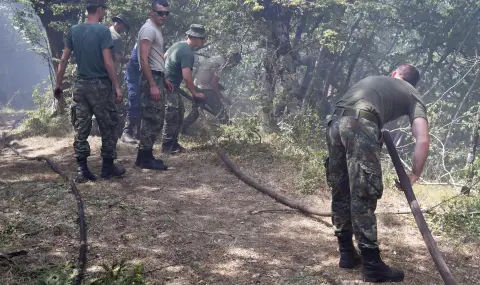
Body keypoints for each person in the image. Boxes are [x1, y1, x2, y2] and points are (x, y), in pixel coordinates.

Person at [325, 64, 430, 282]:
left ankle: (346, 253)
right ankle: (372, 265)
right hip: (360, 123)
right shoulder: (412, 93)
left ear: (394, 75)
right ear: (412, 83)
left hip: (335, 122)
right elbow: (422, 138)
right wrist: (415, 174)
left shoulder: (375, 80)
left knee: (341, 189)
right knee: (363, 192)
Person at [54, 0, 126, 182]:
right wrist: (117, 86)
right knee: (109, 125)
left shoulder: (74, 31)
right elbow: (109, 62)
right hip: (100, 85)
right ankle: (108, 168)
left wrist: (58, 84)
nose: (104, 14)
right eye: (104, 11)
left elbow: (63, 61)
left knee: (81, 127)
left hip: (80, 86)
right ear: (99, 10)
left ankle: (82, 169)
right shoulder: (103, 31)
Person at [134, 0, 171, 170]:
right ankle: (146, 159)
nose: (163, 16)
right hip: (151, 78)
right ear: (152, 12)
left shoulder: (156, 29)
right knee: (152, 118)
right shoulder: (148, 29)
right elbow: (143, 59)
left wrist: (163, 79)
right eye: (160, 13)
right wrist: (152, 84)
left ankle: (143, 157)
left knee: (154, 117)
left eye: (166, 13)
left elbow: (155, 58)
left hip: (157, 76)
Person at [162, 24, 207, 154]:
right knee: (172, 115)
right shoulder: (188, 53)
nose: (203, 42)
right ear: (197, 39)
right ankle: (167, 148)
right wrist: (195, 93)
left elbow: (163, 58)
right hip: (168, 87)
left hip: (169, 85)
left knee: (180, 112)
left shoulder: (177, 45)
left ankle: (174, 144)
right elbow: (187, 77)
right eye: (202, 39)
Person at [181, 52, 242, 134]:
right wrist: (221, 98)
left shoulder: (216, 57)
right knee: (221, 111)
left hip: (197, 86)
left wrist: (218, 85)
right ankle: (229, 132)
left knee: (196, 112)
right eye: (234, 64)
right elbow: (213, 83)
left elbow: (206, 75)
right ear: (232, 60)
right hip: (205, 89)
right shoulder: (222, 63)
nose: (232, 67)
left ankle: (181, 129)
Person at [121, 44, 141, 143]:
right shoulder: (143, 41)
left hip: (142, 75)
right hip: (134, 75)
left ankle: (140, 133)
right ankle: (127, 132)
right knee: (135, 101)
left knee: (144, 103)